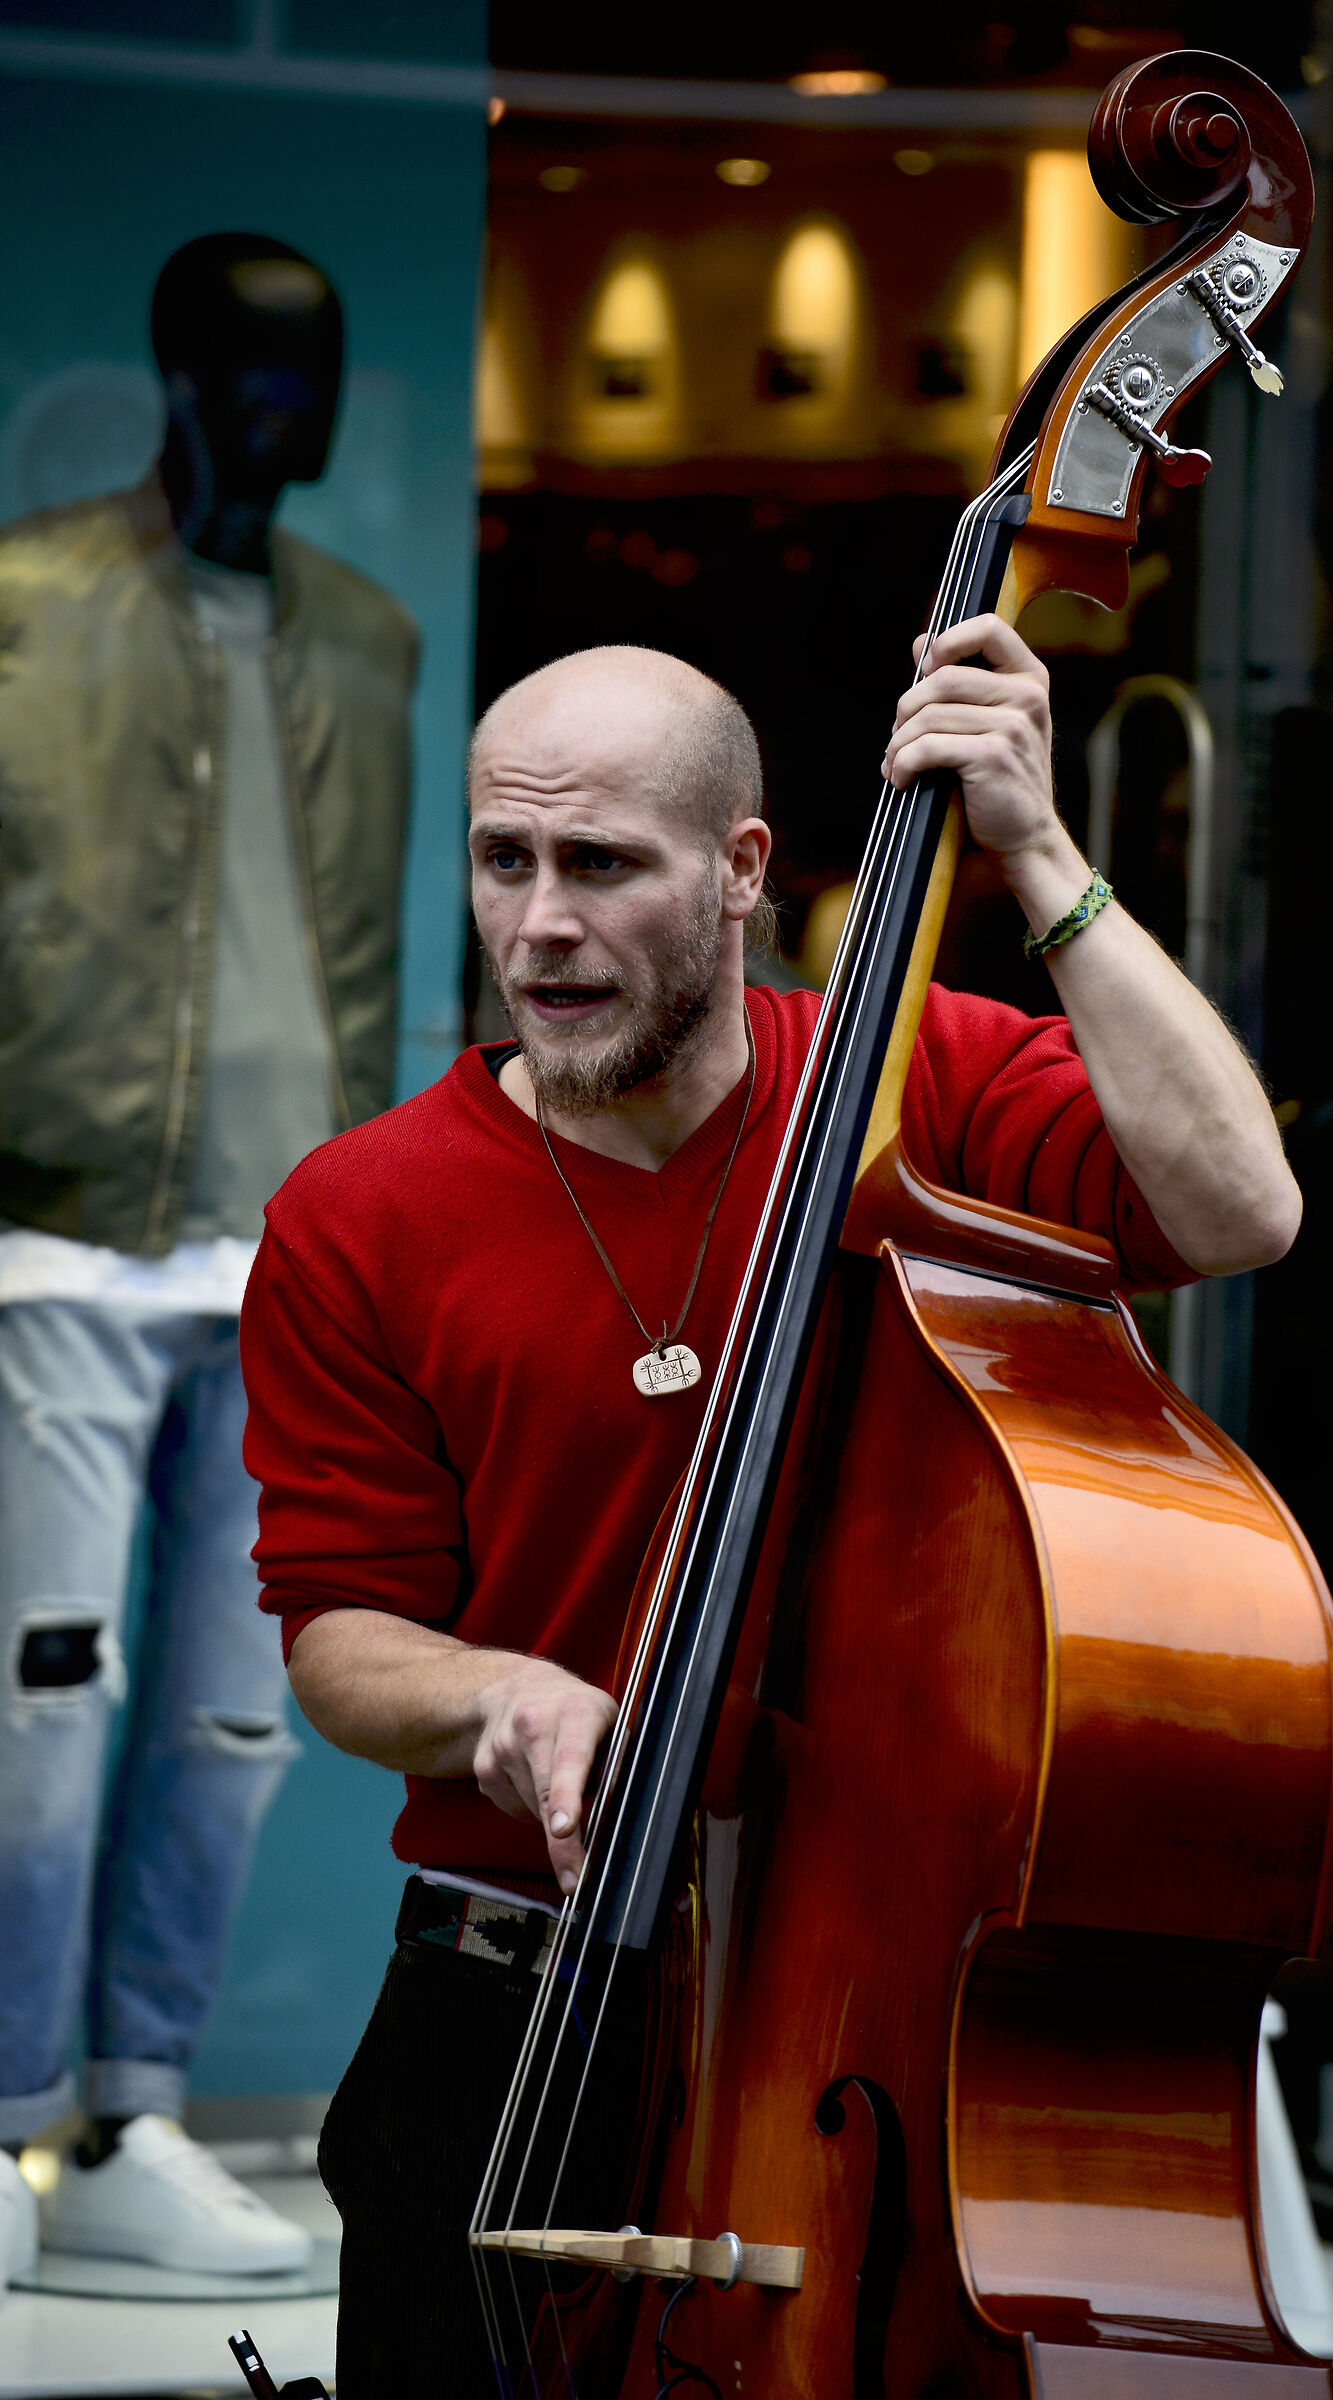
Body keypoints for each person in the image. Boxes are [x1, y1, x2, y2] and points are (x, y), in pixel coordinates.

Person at [240, 628, 1300, 2397]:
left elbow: (1237, 1205)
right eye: (505, 862)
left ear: (741, 873)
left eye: (600, 864)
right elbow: (343, 1641)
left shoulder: (923, 1087)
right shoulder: (358, 1216)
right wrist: (502, 1700)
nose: (539, 927)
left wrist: (1035, 848)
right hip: (515, 2012)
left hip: (878, 2027)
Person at [0, 232, 415, 2283]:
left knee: (235, 1721)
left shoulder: (367, 638)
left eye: (320, 371)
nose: (298, 412)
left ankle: (134, 2114)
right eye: (261, 372)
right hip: (58, 1236)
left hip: (286, 1256)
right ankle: (5, 2125)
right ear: (178, 376)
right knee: (42, 1697)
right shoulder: (23, 608)